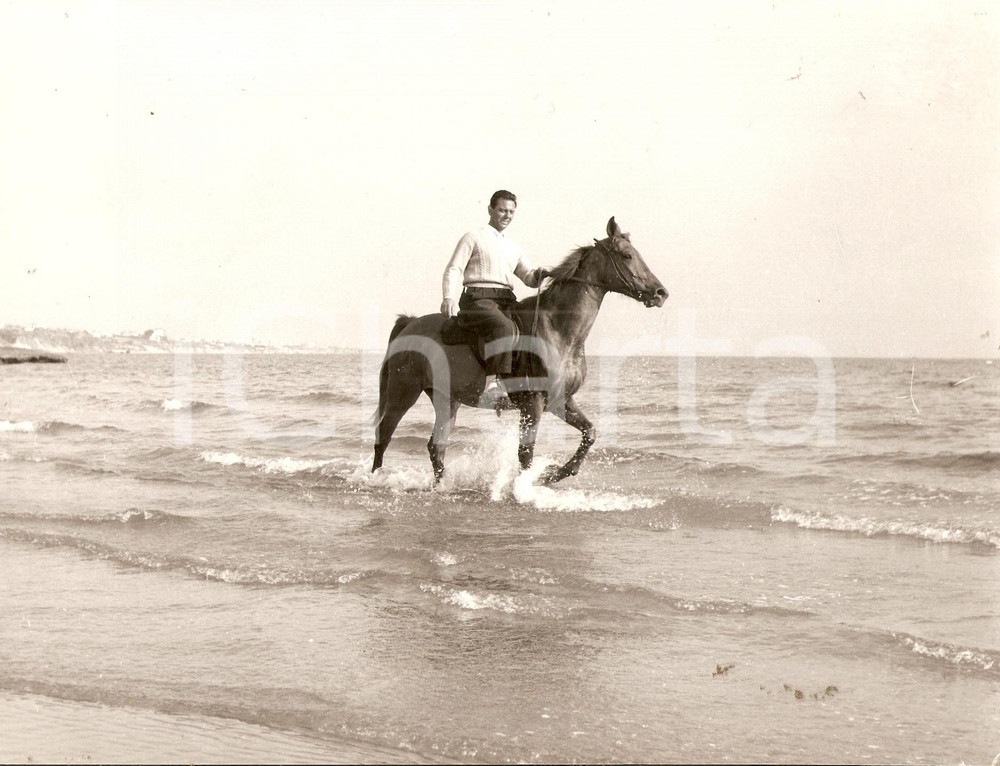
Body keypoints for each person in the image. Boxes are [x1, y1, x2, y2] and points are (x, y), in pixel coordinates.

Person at [441, 190, 547, 407]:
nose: (507, 215)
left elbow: (528, 277)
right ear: (490, 210)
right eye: (502, 210)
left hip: (506, 298)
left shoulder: (513, 246)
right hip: (477, 298)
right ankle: (492, 385)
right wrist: (448, 297)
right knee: (504, 326)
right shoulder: (474, 237)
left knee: (531, 325)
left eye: (511, 212)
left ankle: (522, 384)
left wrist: (540, 275)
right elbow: (454, 268)